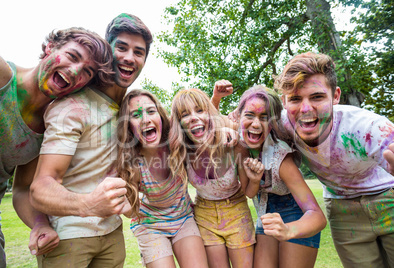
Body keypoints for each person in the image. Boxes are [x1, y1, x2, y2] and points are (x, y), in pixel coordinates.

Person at [29, 13, 152, 267]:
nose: (130, 57)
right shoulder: (74, 105)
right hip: (69, 239)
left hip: (112, 235)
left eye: (138, 52)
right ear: (108, 50)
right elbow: (40, 188)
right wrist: (88, 204)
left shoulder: (130, 109)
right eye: (121, 47)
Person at [0, 27, 113, 267]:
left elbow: (24, 188)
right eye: (73, 56)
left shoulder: (50, 128)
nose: (76, 70)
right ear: (50, 47)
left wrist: (40, 224)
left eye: (87, 71)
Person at [274, 51, 394, 267]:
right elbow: (230, 126)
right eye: (295, 99)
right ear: (284, 102)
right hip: (342, 209)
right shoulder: (281, 124)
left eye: (317, 97)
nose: (305, 108)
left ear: (335, 96)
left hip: (388, 197)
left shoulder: (366, 126)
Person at [232, 85, 326, 268]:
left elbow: (318, 217)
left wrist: (289, 229)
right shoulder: (238, 146)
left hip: (296, 215)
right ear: (237, 116)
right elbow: (249, 193)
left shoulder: (281, 159)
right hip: (266, 212)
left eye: (264, 118)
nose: (256, 124)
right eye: (249, 115)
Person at [116, 89, 208, 267]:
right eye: (136, 115)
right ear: (128, 125)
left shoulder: (176, 142)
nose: (146, 120)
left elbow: (207, 123)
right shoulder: (132, 162)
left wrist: (229, 127)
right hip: (150, 225)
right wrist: (125, 207)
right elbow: (130, 211)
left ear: (161, 116)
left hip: (183, 218)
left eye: (151, 111)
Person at [169, 88, 256, 268]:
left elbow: (249, 192)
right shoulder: (182, 152)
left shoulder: (233, 144)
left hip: (237, 211)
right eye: (185, 114)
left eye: (200, 110)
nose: (193, 117)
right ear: (179, 123)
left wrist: (255, 179)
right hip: (204, 214)